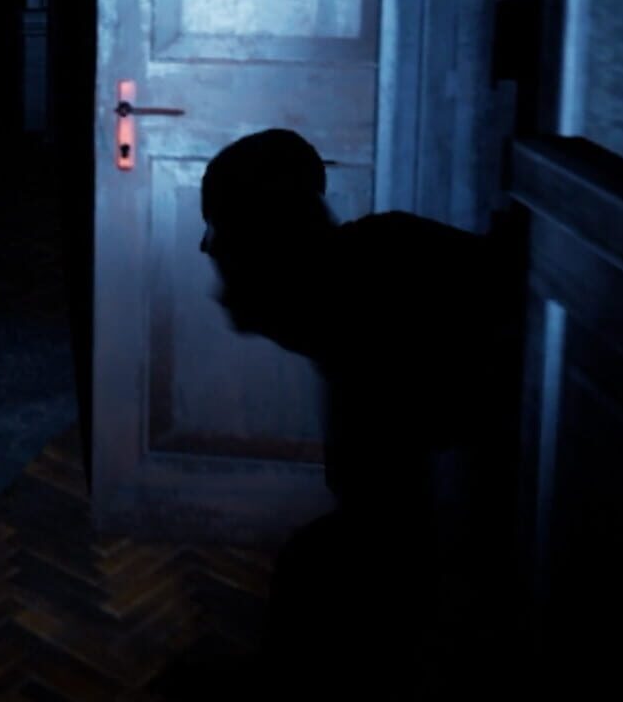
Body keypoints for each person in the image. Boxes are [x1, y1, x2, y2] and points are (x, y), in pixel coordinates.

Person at [196, 128, 524, 694]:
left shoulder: (371, 288)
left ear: (267, 242)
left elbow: (392, 517)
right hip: (423, 520)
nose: (209, 249)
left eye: (222, 231)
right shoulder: (349, 281)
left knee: (325, 567)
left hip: (478, 523)